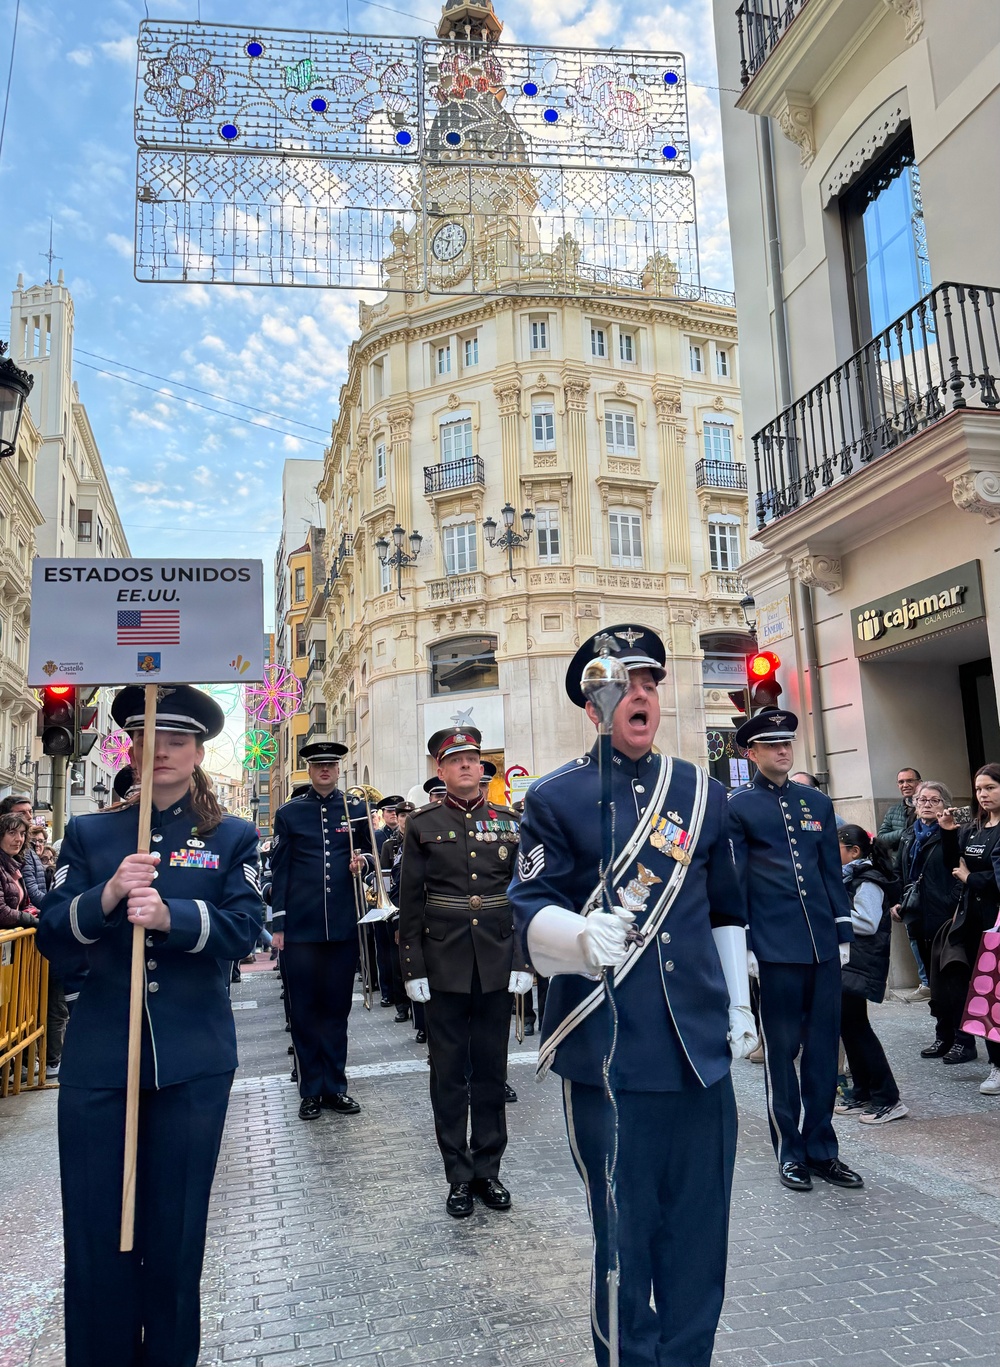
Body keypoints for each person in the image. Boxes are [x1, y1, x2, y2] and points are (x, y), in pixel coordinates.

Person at [509, 624, 755, 1367]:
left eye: (649, 679)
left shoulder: (701, 791)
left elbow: (725, 907)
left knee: (698, 1244)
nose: (639, 692)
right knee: (624, 1249)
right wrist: (578, 939)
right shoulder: (555, 797)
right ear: (593, 705)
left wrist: (739, 1008)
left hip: (700, 1061)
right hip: (610, 1060)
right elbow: (526, 905)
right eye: (621, 683)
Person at [35, 684, 263, 1367]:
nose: (161, 750)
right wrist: (105, 894)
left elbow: (248, 931)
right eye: (150, 736)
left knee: (174, 1235)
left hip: (191, 1061)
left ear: (197, 753)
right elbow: (51, 932)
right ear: (130, 745)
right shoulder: (92, 833)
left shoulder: (229, 836)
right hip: (102, 1059)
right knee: (96, 1236)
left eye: (178, 740)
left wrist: (173, 917)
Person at [398, 726, 531, 1218]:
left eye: (473, 759)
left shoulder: (509, 821)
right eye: (456, 761)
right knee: (449, 1074)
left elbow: (522, 899)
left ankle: (488, 1169)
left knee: (492, 1072)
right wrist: (411, 965)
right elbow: (410, 902)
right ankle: (457, 1173)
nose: (467, 767)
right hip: (443, 962)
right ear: (441, 769)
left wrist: (525, 960)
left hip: (496, 960)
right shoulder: (422, 824)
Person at [729, 708, 862, 1193]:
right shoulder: (738, 806)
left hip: (821, 946)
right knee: (781, 1054)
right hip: (774, 947)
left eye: (787, 743)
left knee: (825, 1050)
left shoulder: (816, 803)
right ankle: (790, 1151)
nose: (783, 751)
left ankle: (823, 1149)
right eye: (772, 745)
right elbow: (736, 880)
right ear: (753, 752)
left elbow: (830, 872)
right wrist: (744, 945)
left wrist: (842, 934)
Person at [268, 738, 373, 1121]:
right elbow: (281, 869)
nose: (325, 770)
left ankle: (336, 1087)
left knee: (337, 1009)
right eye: (318, 766)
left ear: (338, 769)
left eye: (330, 765)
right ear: (310, 771)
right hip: (301, 927)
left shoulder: (355, 808)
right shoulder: (291, 813)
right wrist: (278, 923)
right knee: (305, 1010)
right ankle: (310, 1089)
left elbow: (369, 854)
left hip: (342, 926)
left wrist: (360, 862)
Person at [834, 825, 906, 1124]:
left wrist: (832, 916)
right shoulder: (850, 876)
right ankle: (863, 1091)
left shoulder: (868, 880)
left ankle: (888, 1099)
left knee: (859, 1031)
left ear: (854, 851)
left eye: (836, 845)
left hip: (860, 963)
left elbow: (866, 922)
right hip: (848, 963)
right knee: (849, 1028)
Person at [937, 765, 1000, 1092]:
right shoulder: (975, 827)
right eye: (978, 789)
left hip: (997, 923)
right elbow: (954, 863)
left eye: (990, 788)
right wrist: (948, 830)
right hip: (973, 924)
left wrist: (970, 878)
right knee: (986, 993)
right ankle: (997, 1064)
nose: (983, 795)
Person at [895, 781, 964, 1061]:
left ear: (945, 805)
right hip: (917, 914)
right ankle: (943, 1035)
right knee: (934, 984)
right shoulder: (910, 835)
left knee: (952, 981)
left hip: (946, 917)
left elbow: (959, 868)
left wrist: (953, 903)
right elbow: (899, 870)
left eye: (934, 800)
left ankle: (963, 1040)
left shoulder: (953, 833)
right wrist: (897, 900)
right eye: (922, 799)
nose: (926, 804)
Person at [372, 795, 404, 1007]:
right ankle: (387, 991)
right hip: (384, 897)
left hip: (402, 898)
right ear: (383, 814)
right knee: (385, 948)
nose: (394, 815)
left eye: (398, 812)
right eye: (391, 811)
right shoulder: (378, 837)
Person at [0, 813, 38, 928]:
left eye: (22, 834)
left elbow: (25, 904)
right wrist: (33, 920)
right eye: (12, 833)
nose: (18, 839)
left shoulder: (15, 866)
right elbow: (2, 912)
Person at [878, 767, 921, 853]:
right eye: (901, 782)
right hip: (900, 862)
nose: (905, 785)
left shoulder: (930, 808)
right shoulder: (893, 810)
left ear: (920, 783)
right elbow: (881, 839)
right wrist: (905, 832)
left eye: (910, 781)